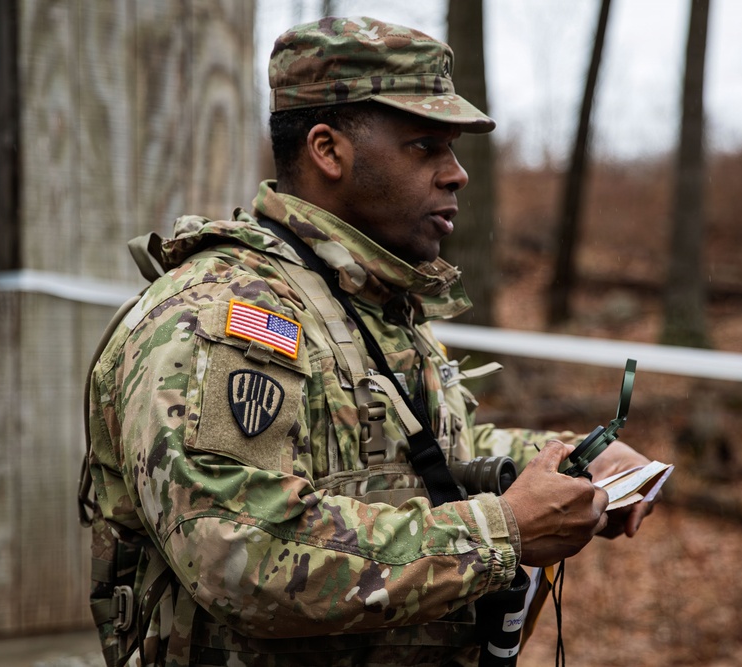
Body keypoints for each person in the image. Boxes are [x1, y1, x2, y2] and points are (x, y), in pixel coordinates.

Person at [82, 16, 655, 667]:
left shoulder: (364, 301)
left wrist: (561, 462)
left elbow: (407, 458)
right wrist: (505, 529)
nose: (457, 173)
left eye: (454, 149)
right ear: (328, 150)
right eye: (425, 146)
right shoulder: (226, 313)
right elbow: (245, 552)